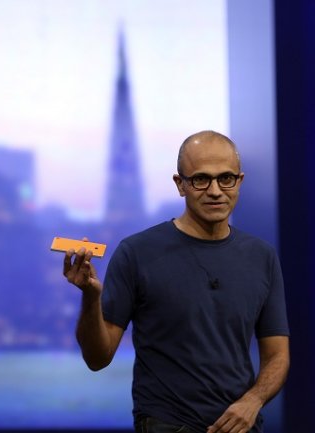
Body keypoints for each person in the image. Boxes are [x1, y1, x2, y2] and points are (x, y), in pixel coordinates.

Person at [63, 130, 290, 433]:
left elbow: (278, 355)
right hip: (165, 425)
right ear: (180, 184)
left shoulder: (262, 257)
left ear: (240, 181)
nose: (215, 190)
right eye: (200, 179)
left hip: (241, 426)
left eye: (226, 178)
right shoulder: (136, 252)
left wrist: (253, 401)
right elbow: (97, 358)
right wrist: (90, 297)